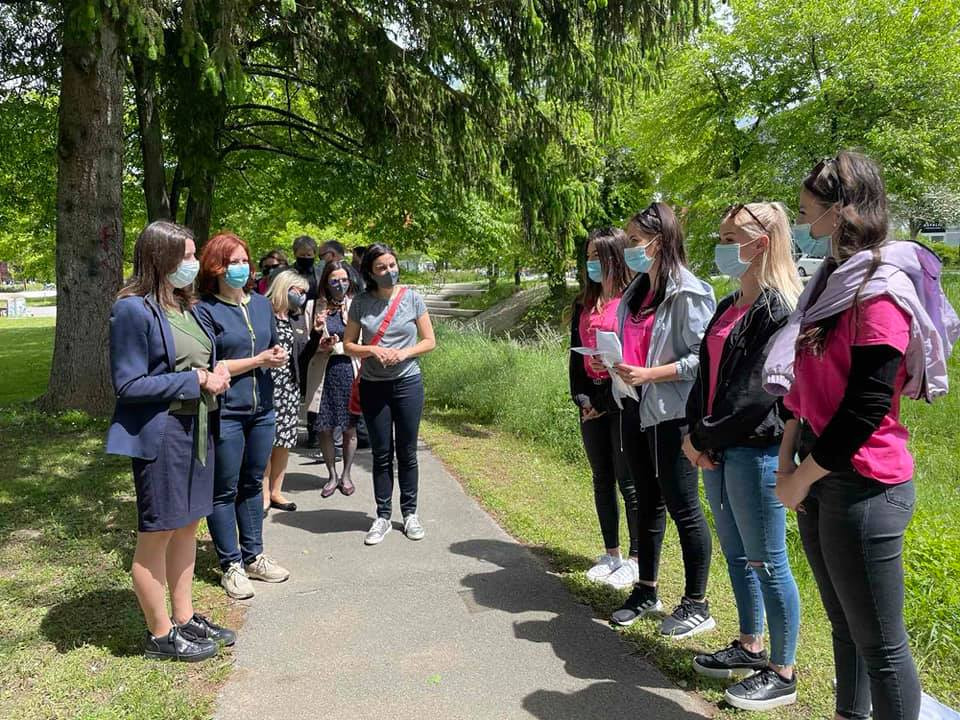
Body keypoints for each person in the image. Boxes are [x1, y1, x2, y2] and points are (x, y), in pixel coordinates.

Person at [765, 152, 958, 720]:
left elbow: (867, 406)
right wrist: (786, 466)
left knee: (882, 645)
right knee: (844, 627)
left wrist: (801, 476)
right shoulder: (828, 283)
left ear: (842, 212)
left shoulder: (878, 289)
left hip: (864, 483)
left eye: (808, 213)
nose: (803, 225)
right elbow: (800, 392)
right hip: (819, 475)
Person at [682, 202, 804, 710]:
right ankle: (751, 646)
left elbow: (757, 394)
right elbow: (706, 379)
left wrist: (706, 437)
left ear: (762, 243)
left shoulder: (779, 309)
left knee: (768, 560)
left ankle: (783, 670)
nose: (722, 246)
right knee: (737, 555)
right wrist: (695, 435)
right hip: (716, 448)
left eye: (731, 237)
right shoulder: (729, 304)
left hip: (754, 450)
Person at [106, 221, 235, 661]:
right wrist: (193, 379)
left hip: (198, 429)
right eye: (185, 256)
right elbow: (128, 385)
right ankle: (161, 636)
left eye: (194, 255)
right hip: (162, 435)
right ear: (159, 258)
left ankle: (184, 618)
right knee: (157, 532)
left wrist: (214, 375)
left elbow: (203, 359)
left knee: (187, 526)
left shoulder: (188, 306)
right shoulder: (132, 309)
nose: (193, 264)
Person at [610, 201, 717, 638]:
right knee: (647, 502)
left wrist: (652, 374)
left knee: (683, 505)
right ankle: (646, 589)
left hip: (673, 414)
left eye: (634, 242)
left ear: (660, 241)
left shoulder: (690, 292)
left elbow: (703, 360)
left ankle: (697, 603)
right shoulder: (635, 293)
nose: (629, 249)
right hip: (634, 406)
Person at [196, 232, 292, 600]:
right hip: (227, 412)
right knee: (225, 488)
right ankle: (230, 565)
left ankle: (254, 556)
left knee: (254, 483)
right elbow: (210, 365)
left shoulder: (261, 305)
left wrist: (276, 353)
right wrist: (258, 360)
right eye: (231, 262)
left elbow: (267, 346)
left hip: (261, 410)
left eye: (243, 261)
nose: (240, 268)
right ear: (216, 267)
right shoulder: (205, 309)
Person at [343, 243, 436, 546]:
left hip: (408, 383)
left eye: (392, 265)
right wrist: (372, 349)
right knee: (381, 454)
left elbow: (429, 341)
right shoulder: (360, 302)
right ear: (370, 271)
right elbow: (348, 345)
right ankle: (383, 515)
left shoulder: (412, 298)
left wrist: (404, 353)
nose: (389, 271)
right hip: (374, 386)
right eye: (381, 267)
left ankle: (410, 513)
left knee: (407, 452)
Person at [568, 227, 641, 590]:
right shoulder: (583, 302)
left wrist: (603, 403)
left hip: (623, 401)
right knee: (601, 479)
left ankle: (636, 559)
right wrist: (582, 399)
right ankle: (610, 553)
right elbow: (573, 358)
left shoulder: (634, 299)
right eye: (589, 256)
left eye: (598, 256)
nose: (591, 263)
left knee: (629, 483)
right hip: (590, 402)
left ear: (617, 256)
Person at [304, 260, 362, 497]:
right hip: (323, 373)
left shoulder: (356, 304)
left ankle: (346, 474)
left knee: (349, 427)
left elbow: (364, 339)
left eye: (344, 280)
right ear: (326, 282)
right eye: (334, 280)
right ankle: (332, 474)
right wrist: (320, 339)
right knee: (324, 426)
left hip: (348, 370)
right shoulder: (313, 307)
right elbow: (304, 345)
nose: (340, 285)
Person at [262, 269, 314, 515]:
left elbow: (301, 355)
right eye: (299, 291)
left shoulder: (295, 317)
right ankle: (262, 494)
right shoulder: (263, 312)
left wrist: (316, 339)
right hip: (267, 385)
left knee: (284, 440)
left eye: (304, 293)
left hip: (289, 387)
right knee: (264, 441)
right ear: (285, 287)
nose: (302, 296)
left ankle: (276, 491)